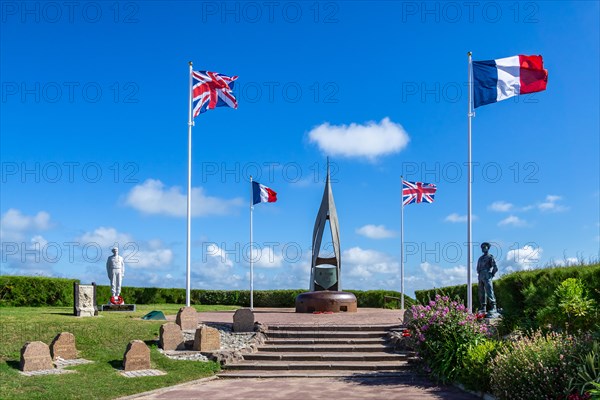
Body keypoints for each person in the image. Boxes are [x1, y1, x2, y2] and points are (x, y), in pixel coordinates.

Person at [477, 242, 499, 317]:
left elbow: (495, 268)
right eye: (482, 247)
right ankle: (483, 307)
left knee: (489, 291)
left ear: (488, 248)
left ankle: (493, 307)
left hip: (487, 274)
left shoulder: (490, 257)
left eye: (484, 247)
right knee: (481, 292)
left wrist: (491, 275)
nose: (483, 248)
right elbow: (478, 268)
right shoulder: (480, 258)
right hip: (481, 275)